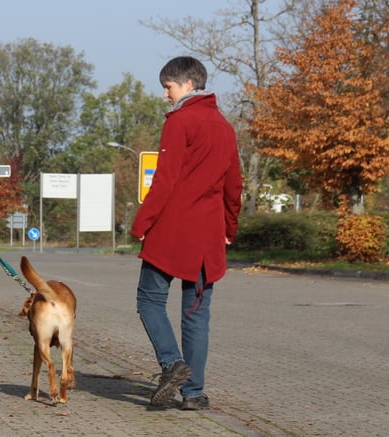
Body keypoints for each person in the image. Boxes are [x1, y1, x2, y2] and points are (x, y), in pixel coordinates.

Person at [129, 56, 243, 410]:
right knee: (196, 315)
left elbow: (164, 181)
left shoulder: (179, 122)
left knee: (149, 300)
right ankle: (193, 394)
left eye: (168, 87)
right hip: (208, 238)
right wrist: (229, 228)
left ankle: (171, 363)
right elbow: (234, 186)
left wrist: (141, 224)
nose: (166, 95)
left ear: (188, 85)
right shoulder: (225, 128)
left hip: (171, 231)